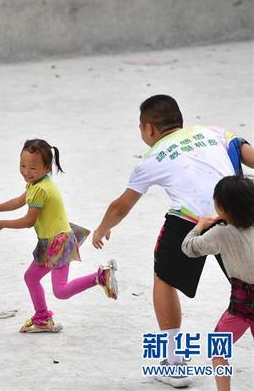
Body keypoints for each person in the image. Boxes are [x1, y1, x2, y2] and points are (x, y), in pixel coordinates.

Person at [91, 94, 254, 388]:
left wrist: (102, 228)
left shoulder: (152, 158)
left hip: (193, 221)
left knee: (164, 278)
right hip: (240, 213)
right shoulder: (215, 133)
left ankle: (174, 364)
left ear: (150, 129)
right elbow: (250, 156)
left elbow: (121, 206)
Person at [0, 139, 118, 333]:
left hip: (58, 244)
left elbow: (29, 221)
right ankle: (42, 317)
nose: (26, 171)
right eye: (22, 165)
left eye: (32, 168)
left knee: (60, 291)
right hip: (52, 241)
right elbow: (19, 201)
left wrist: (2, 224)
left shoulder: (41, 189)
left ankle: (100, 277)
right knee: (31, 277)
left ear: (46, 168)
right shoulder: (37, 183)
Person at [181, 175, 254, 391]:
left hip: (241, 304)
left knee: (218, 348)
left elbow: (189, 247)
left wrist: (200, 226)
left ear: (221, 207)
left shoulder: (220, 234)